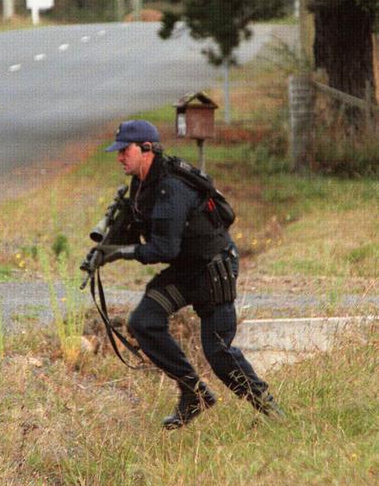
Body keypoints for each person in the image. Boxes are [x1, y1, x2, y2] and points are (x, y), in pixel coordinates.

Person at [96, 119, 284, 429]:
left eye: (124, 151)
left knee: (218, 352)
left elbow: (163, 249)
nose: (119, 157)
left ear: (146, 150)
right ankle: (194, 394)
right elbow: (140, 229)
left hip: (213, 269)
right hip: (186, 269)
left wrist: (122, 254)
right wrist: (104, 250)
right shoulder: (143, 184)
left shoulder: (172, 187)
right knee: (144, 322)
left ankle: (272, 411)